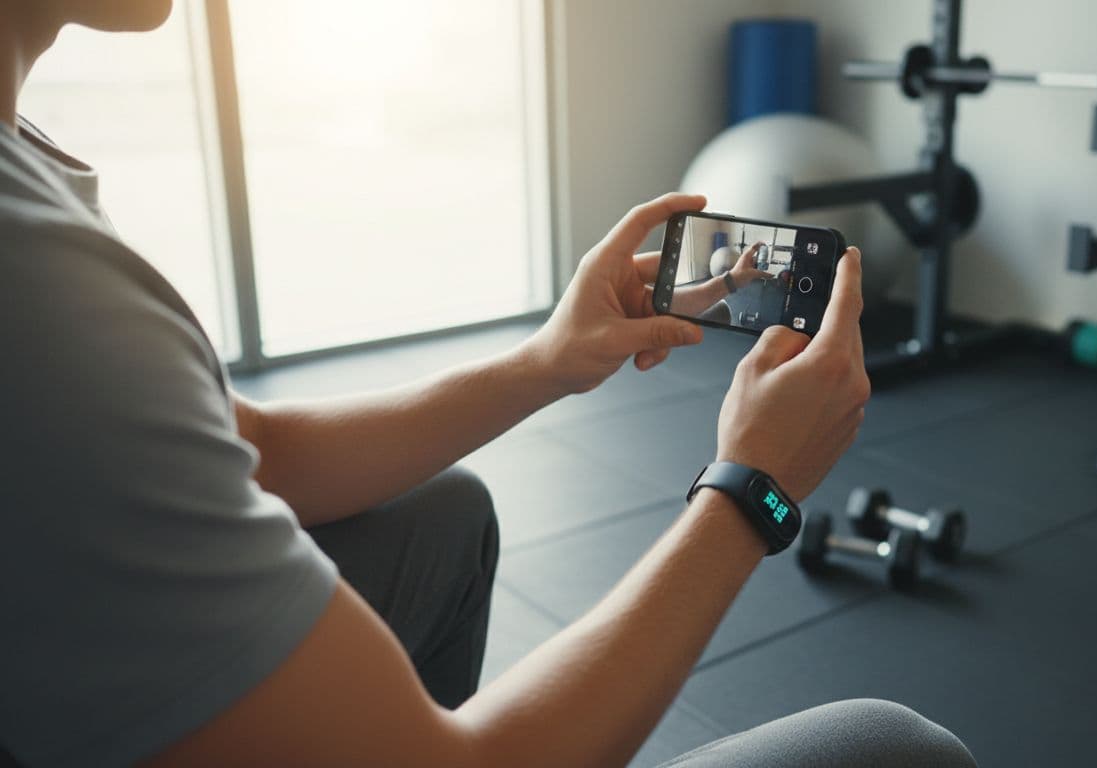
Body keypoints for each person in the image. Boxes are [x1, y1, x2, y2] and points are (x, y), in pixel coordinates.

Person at [0, 1, 978, 766]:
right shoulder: (35, 286)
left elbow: (256, 449)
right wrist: (753, 486)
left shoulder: (25, 162)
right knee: (900, 752)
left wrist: (546, 360)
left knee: (443, 514)